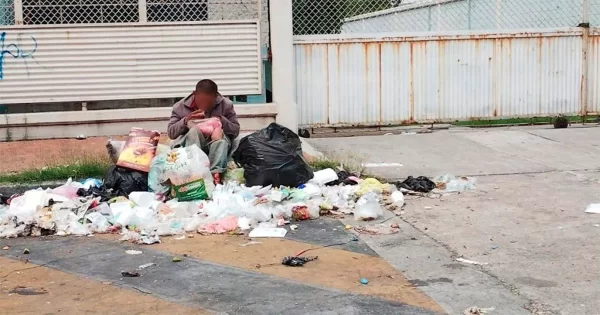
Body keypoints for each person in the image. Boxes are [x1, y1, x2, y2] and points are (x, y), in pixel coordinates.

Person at [168, 79, 240, 184]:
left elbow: (235, 130)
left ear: (216, 97)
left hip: (215, 148)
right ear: (194, 94)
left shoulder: (226, 105)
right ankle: (195, 173)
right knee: (194, 131)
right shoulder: (180, 106)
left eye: (208, 102)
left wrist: (221, 121)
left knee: (220, 140)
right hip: (190, 146)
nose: (204, 105)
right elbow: (171, 133)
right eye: (201, 101)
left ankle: (215, 175)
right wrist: (186, 120)